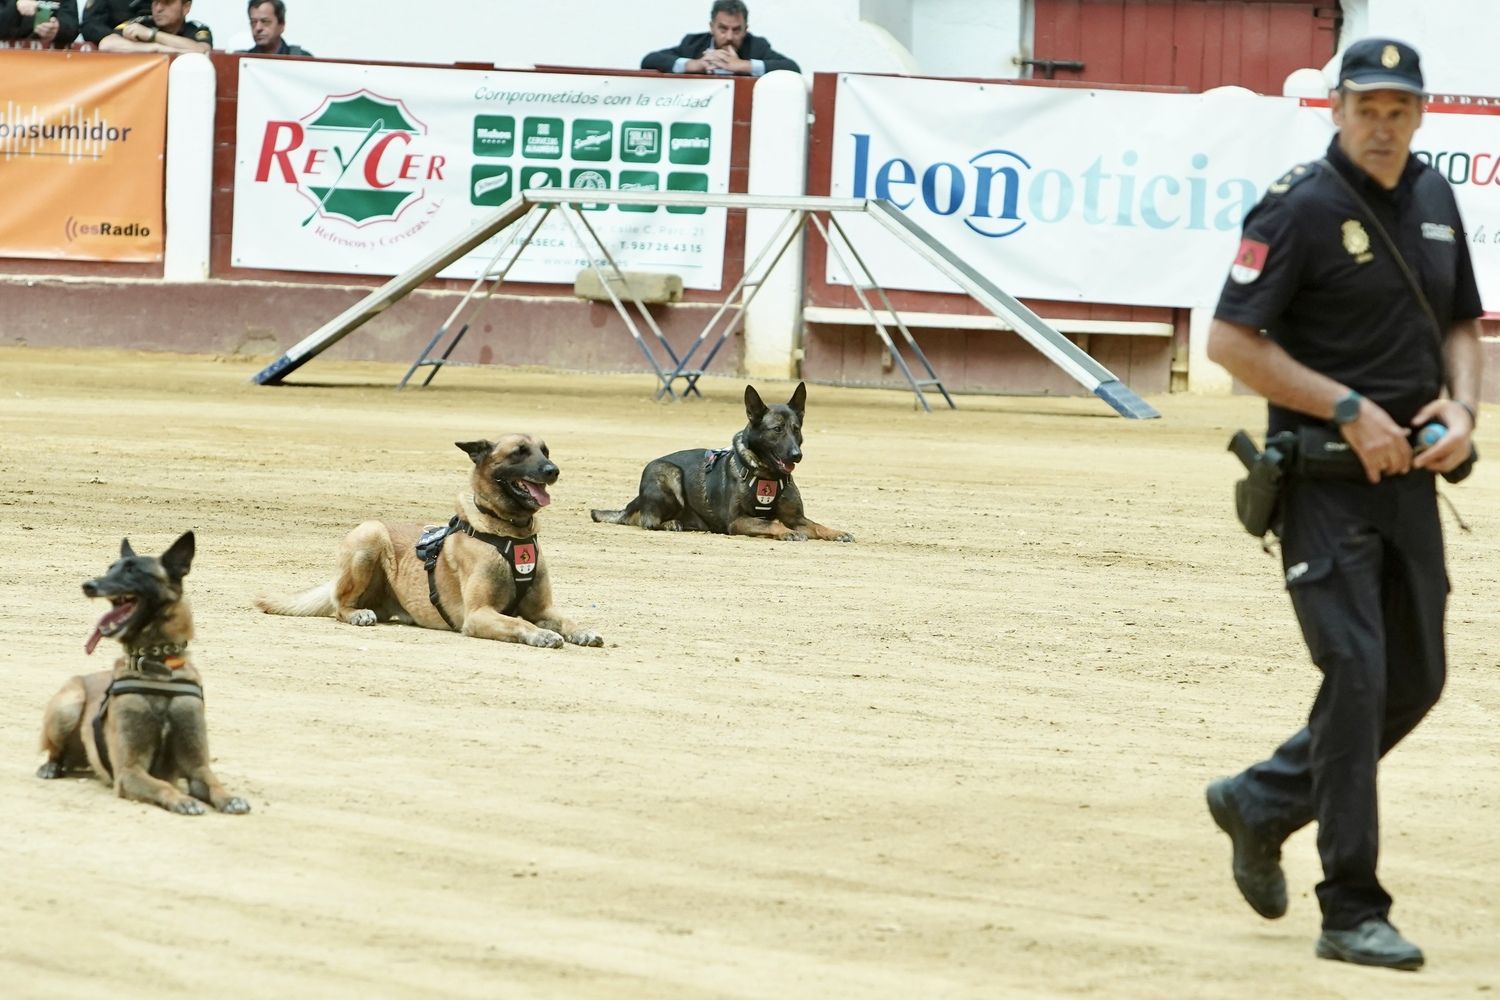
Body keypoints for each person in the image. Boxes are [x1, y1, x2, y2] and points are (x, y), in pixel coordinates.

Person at [1205, 37, 1483, 972]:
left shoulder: (1438, 200)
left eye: (1399, 109)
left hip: (1412, 487)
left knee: (1417, 681)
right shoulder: (1298, 208)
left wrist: (1463, 406)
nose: (1382, 123)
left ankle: (1265, 801)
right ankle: (1351, 906)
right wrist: (1350, 408)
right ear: (1336, 109)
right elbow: (1232, 343)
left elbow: (1462, 325)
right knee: (1359, 675)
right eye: (1367, 106)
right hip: (1321, 485)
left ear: (1419, 114)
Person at [641, 0, 798, 77]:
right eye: (723, 29)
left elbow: (793, 69)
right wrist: (693, 65)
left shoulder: (757, 46)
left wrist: (743, 66)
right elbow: (649, 60)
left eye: (736, 30)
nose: (729, 37)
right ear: (712, 27)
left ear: (746, 30)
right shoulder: (692, 44)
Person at [83, 0, 210, 52]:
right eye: (155, 2)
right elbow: (106, 44)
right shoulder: (143, 23)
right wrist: (155, 47)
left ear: (186, 7)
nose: (159, 8)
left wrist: (153, 35)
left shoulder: (196, 29)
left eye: (167, 2)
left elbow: (202, 49)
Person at [239, 0, 310, 57]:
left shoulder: (303, 59)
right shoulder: (241, 61)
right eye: (253, 22)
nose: (258, 28)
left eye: (265, 21)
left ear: (281, 25)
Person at [0, 0, 80, 47]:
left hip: (48, 60)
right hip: (9, 58)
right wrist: (15, 6)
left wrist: (58, 29)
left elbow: (73, 25)